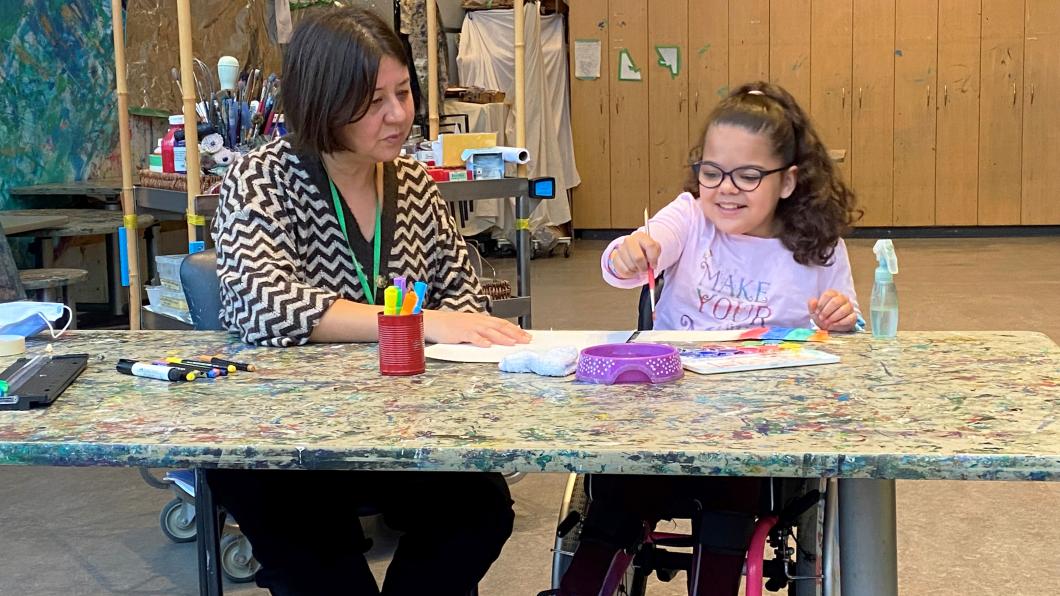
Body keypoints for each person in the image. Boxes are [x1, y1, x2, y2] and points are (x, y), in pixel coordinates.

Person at [209, 7, 528, 595]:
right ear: (322, 101)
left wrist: (451, 325)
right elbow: (263, 302)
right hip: (286, 430)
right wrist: (417, 321)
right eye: (373, 101)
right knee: (303, 541)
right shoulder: (262, 178)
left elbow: (462, 302)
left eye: (403, 92)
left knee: (480, 510)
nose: (399, 115)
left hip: (403, 422)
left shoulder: (411, 183)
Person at [560, 81, 862, 596]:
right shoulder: (690, 218)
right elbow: (621, 264)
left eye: (748, 176)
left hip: (756, 427)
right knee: (615, 488)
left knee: (732, 491)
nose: (726, 188)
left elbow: (854, 338)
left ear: (788, 181)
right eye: (712, 172)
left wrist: (841, 321)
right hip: (665, 417)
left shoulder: (819, 250)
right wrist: (632, 251)